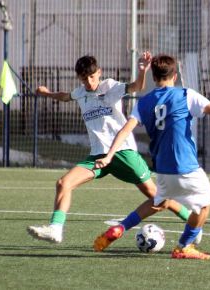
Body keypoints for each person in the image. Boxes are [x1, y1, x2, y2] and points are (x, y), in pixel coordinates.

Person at [92, 53, 210, 259]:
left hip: (161, 168)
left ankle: (120, 228)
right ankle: (184, 246)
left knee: (159, 202)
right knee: (204, 206)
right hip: (185, 167)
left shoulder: (143, 103)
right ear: (175, 76)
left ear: (153, 76)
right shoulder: (186, 95)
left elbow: (125, 130)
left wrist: (109, 155)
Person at [27, 52, 192, 244]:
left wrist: (142, 71)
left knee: (157, 197)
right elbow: (65, 97)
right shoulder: (80, 93)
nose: (89, 82)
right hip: (98, 157)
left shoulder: (110, 87)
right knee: (64, 183)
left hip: (123, 153)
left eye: (92, 76)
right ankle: (55, 229)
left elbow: (137, 87)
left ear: (99, 72)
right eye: (84, 78)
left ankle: (191, 220)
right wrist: (46, 93)